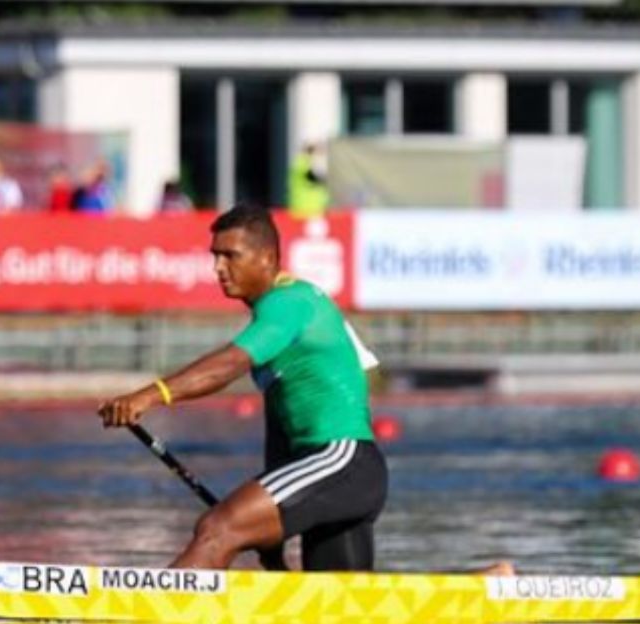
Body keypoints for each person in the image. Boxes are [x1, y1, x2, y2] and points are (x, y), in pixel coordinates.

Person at [98, 203, 514, 576]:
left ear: (267, 258)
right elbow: (281, 436)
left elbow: (229, 363)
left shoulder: (288, 302)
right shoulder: (283, 318)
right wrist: (271, 542)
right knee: (346, 610)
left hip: (339, 459)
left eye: (230, 256)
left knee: (217, 529)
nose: (218, 268)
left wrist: (150, 396)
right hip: (349, 473)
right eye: (215, 256)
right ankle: (483, 587)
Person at [288, 140, 330, 218]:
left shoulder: (304, 163)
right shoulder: (303, 163)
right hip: (307, 210)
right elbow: (314, 177)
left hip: (312, 209)